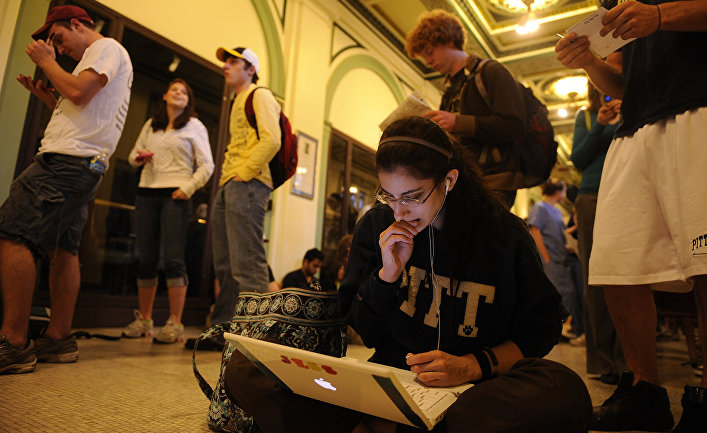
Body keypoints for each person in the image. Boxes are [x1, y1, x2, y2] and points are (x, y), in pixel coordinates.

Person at [224, 116, 592, 433]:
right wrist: (387, 274)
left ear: (449, 180)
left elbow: (541, 329)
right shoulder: (378, 226)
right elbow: (362, 328)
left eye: (413, 197)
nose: (400, 211)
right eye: (388, 195)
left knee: (563, 389)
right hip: (390, 383)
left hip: (473, 391)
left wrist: (471, 366)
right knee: (245, 368)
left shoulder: (503, 234)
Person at [556, 1, 707, 431]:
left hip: (699, 104)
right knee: (616, 262)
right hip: (635, 126)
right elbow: (619, 80)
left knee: (706, 258)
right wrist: (587, 60)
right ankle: (645, 392)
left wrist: (661, 16)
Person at [0, 5, 132, 374]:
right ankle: (58, 339)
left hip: (67, 162)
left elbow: (78, 91)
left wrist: (47, 63)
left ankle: (13, 342)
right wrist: (47, 98)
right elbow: (82, 107)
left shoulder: (106, 48)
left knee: (13, 232)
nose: (57, 48)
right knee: (64, 247)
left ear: (77, 24)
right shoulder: (96, 57)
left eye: (58, 38)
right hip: (82, 162)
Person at [121, 79, 214, 344]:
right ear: (164, 95)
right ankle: (145, 320)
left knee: (173, 258)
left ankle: (175, 322)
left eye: (185, 91)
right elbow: (131, 157)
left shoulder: (195, 126)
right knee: (145, 258)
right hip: (147, 192)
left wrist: (189, 188)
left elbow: (207, 166)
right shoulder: (152, 124)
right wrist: (140, 158)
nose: (179, 93)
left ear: (188, 101)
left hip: (176, 195)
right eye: (174, 89)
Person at [405, 10, 527, 208]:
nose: (427, 61)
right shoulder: (450, 90)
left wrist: (457, 122)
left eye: (429, 52)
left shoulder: (491, 71)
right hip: (465, 179)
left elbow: (514, 125)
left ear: (449, 40)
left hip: (495, 180)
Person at [209, 46, 280, 328]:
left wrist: (246, 171)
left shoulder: (259, 94)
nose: (226, 66)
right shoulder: (237, 99)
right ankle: (225, 328)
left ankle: (255, 336)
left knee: (247, 263)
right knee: (225, 264)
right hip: (231, 182)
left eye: (233, 61)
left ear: (250, 69)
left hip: (248, 182)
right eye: (225, 61)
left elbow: (272, 139)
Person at [571, 83, 625, 385]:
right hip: (592, 195)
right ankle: (603, 362)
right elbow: (578, 159)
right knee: (595, 278)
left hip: (630, 189)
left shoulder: (636, 106)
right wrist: (601, 125)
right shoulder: (587, 116)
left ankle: (628, 359)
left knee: (630, 274)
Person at [527, 180, 583, 342]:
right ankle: (554, 328)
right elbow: (535, 230)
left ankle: (562, 327)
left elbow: (561, 233)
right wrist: (546, 257)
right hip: (551, 259)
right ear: (558, 191)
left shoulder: (557, 212)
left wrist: (576, 227)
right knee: (563, 293)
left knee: (568, 293)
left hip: (559, 258)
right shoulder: (540, 207)